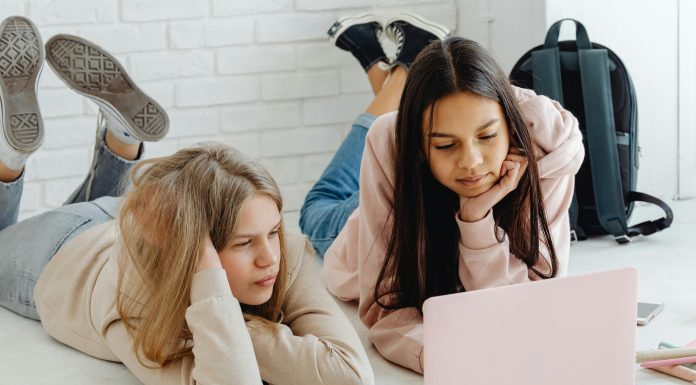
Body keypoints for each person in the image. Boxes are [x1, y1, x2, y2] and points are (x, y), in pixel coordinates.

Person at [0, 16, 373, 385]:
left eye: (274, 231)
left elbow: (352, 376)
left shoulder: (284, 254)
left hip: (127, 214)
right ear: (195, 245)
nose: (269, 257)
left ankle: (117, 138)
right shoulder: (139, 300)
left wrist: (235, 326)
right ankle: (10, 159)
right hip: (58, 249)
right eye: (243, 243)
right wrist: (210, 289)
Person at [300, 13, 584, 374]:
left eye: (487, 136)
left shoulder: (547, 154)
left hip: (427, 168)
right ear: (422, 146)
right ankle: (401, 77)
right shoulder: (391, 145)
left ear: (510, 127)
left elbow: (525, 306)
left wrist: (477, 218)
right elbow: (385, 312)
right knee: (315, 209)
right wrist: (448, 359)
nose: (472, 162)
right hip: (387, 202)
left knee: (403, 125)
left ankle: (401, 75)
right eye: (446, 144)